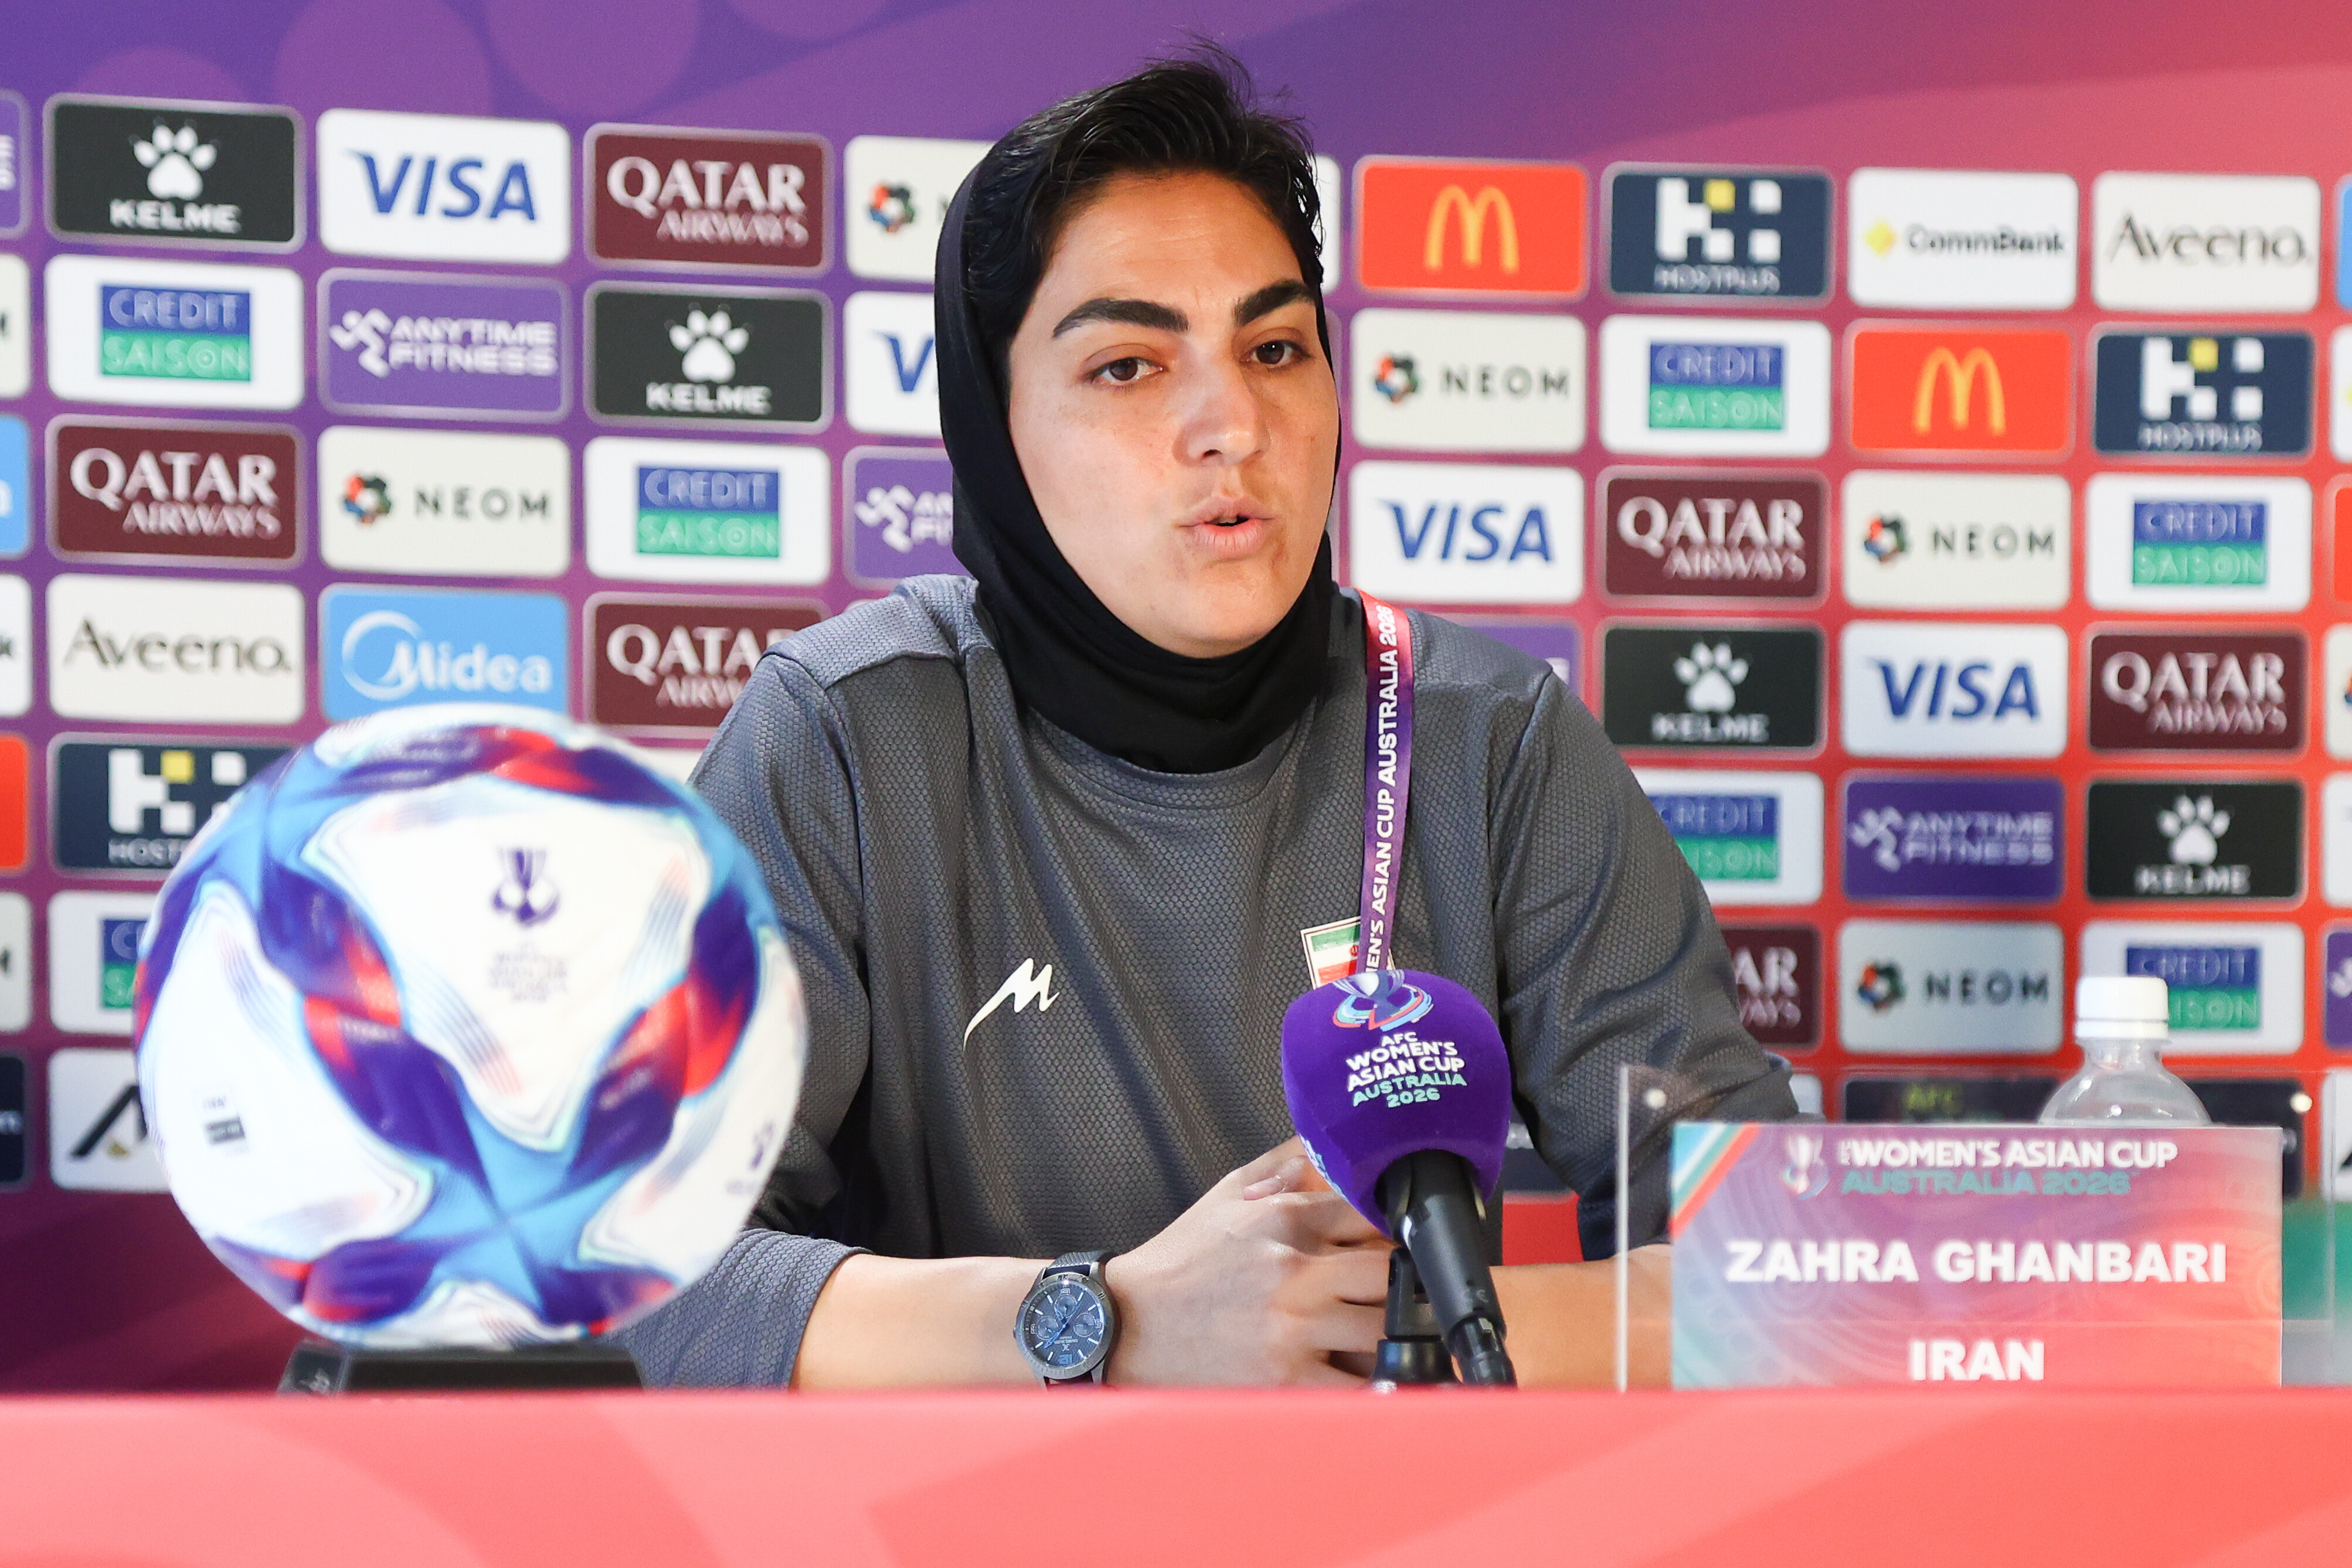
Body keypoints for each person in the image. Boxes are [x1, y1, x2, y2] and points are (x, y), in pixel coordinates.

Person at [617, 50, 1794, 1389]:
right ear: (992, 423)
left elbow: (1774, 1272)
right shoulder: (844, 737)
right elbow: (640, 1277)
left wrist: (1361, 1329)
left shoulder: (1490, 743)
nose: (1230, 423)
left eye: (1274, 348)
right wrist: (1107, 1322)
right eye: (1126, 366)